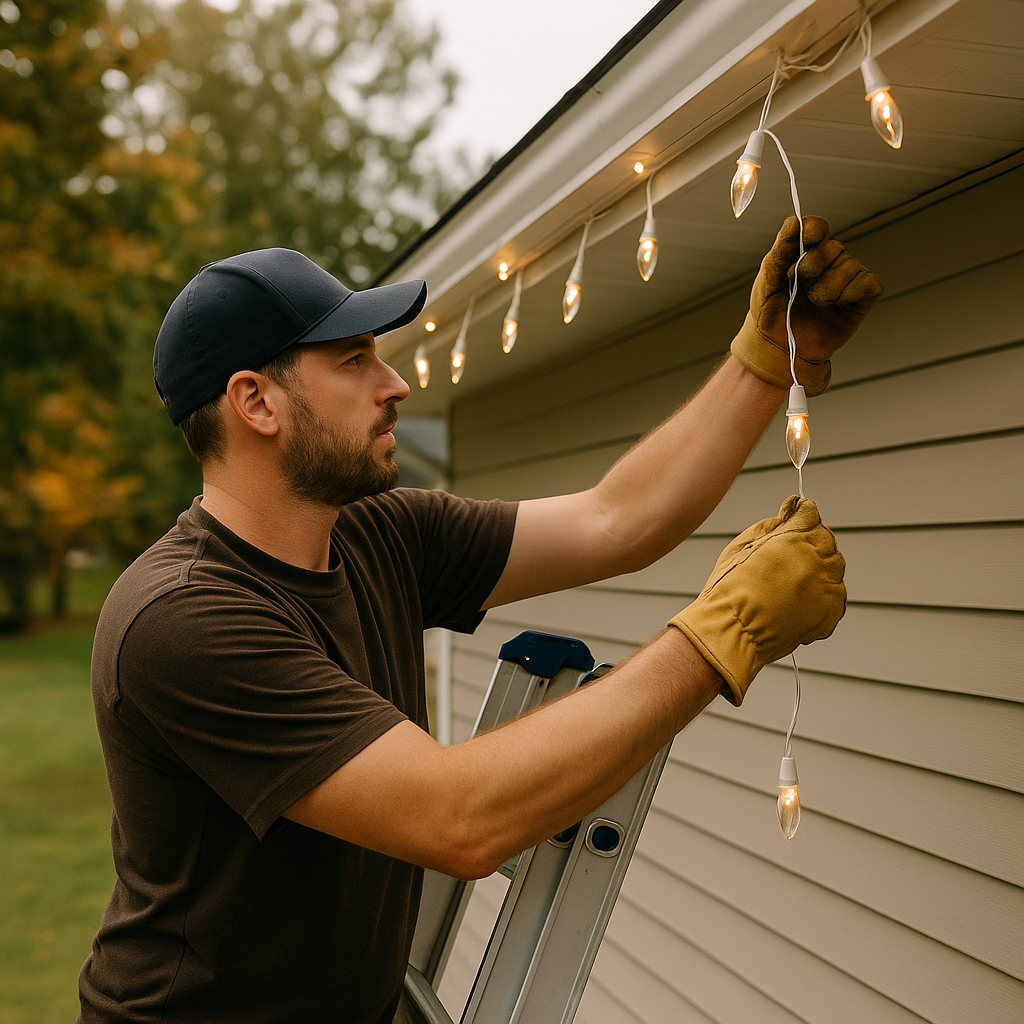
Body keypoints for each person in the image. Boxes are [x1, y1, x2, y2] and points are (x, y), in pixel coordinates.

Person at [78, 216, 881, 1023]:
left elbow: (619, 520)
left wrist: (765, 362)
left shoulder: (377, 533)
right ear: (255, 401)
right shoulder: (182, 618)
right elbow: (460, 819)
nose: (395, 385)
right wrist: (723, 634)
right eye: (355, 361)